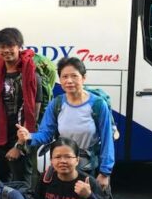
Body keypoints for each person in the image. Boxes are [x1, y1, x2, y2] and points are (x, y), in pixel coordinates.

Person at [16, 56, 114, 190]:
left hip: (88, 169)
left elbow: (107, 139)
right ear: (60, 80)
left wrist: (104, 173)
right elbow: (46, 134)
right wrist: (30, 137)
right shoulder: (56, 103)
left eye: (74, 76)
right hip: (63, 168)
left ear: (83, 78)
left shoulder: (98, 105)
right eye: (64, 76)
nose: (69, 81)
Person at [0, 27, 41, 185]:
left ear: (20, 47)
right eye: (2, 46)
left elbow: (34, 112)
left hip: (22, 139)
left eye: (10, 46)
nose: (6, 50)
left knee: (22, 186)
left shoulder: (32, 74)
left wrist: (19, 146)